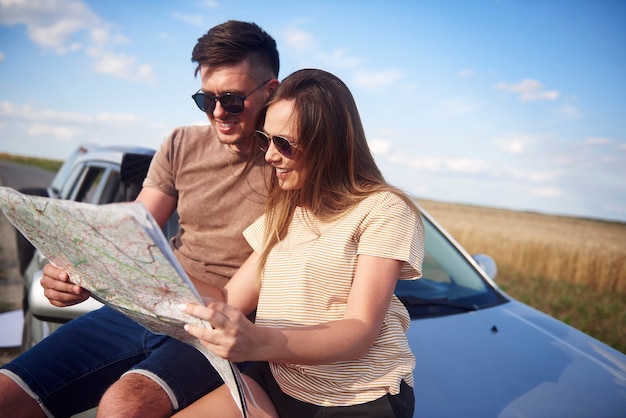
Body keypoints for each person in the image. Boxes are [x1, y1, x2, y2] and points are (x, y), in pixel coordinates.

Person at [0, 20, 279, 418]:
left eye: (233, 100)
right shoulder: (181, 143)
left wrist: (152, 282)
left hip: (218, 327)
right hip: (144, 310)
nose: (218, 113)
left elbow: (235, 300)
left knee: (122, 407)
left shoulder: (288, 164)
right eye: (206, 100)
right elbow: (130, 229)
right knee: (5, 394)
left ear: (271, 90)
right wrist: (76, 269)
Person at [174, 69, 424, 418]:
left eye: (284, 144)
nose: (269, 156)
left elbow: (360, 331)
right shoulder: (287, 207)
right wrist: (142, 268)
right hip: (278, 379)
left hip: (354, 400)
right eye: (266, 140)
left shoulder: (384, 209)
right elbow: (229, 299)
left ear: (329, 144)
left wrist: (257, 342)